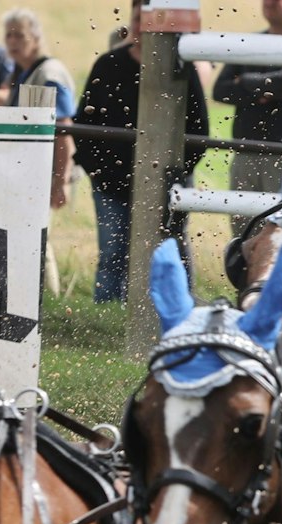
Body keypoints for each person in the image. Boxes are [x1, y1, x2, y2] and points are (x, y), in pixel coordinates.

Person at [73, 0, 208, 302]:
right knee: (113, 253)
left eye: (149, 21)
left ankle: (180, 309)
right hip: (112, 183)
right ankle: (106, 313)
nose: (142, 28)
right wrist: (98, 172)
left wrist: (176, 171)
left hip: (167, 182)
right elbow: (85, 124)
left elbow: (199, 128)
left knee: (173, 247)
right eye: (138, 20)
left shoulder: (180, 69)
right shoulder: (108, 65)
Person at [211, 0, 282, 205]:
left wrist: (244, 81)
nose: (269, 2)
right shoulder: (250, 42)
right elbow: (221, 90)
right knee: (241, 221)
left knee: (280, 218)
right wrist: (264, 90)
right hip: (244, 151)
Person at [0, 9, 74, 210]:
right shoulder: (23, 71)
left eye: (19, 35)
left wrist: (61, 181)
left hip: (42, 176)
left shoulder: (50, 74)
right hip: (21, 175)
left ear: (35, 38)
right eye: (8, 35)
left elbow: (64, 131)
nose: (12, 41)